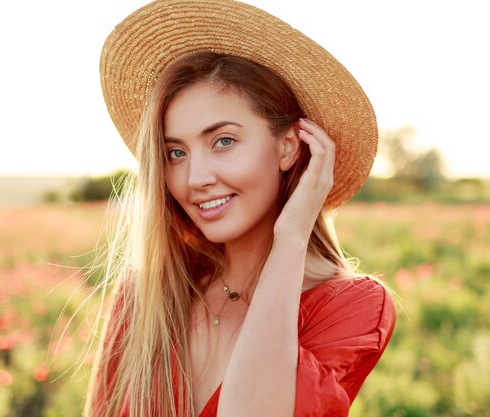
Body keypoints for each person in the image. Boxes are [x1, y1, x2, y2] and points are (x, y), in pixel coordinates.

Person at [85, 1, 396, 416]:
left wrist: (291, 238)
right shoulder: (148, 294)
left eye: (223, 141)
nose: (195, 177)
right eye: (176, 152)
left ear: (288, 147)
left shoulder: (348, 305)